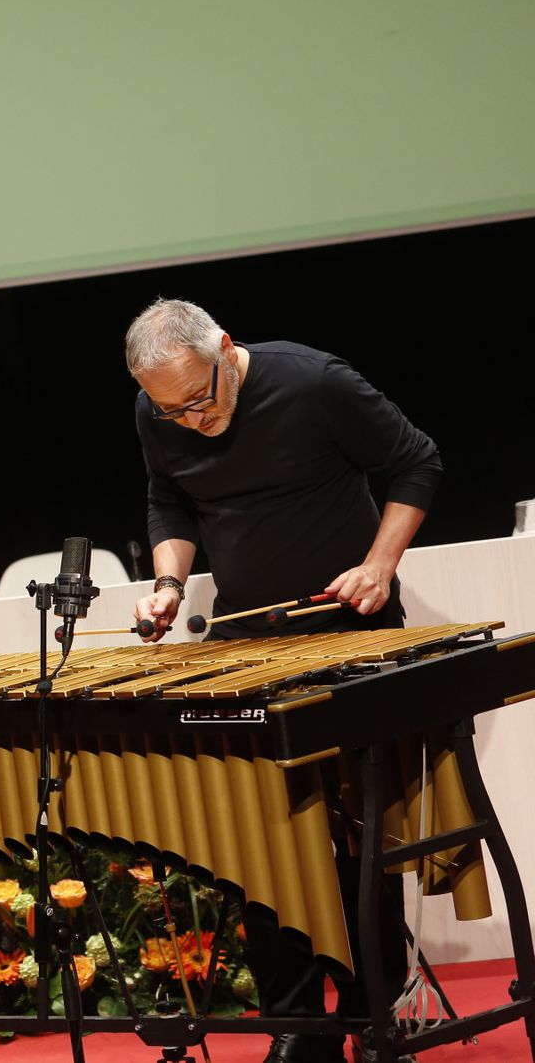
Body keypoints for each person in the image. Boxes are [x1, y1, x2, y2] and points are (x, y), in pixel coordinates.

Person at [126, 299, 440, 1063]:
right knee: (263, 838)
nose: (192, 419)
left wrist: (379, 565)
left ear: (226, 349)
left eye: (201, 399)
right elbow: (170, 501)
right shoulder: (158, 407)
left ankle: (374, 1012)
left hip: (351, 637)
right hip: (249, 644)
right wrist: (167, 582)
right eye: (174, 410)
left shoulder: (315, 383)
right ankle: (297, 1021)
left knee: (358, 837)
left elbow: (417, 461)